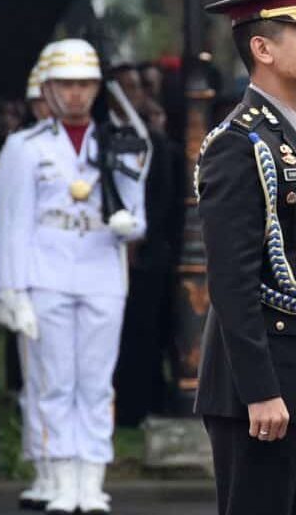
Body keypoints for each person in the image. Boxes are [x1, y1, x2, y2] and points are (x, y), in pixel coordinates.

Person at [194, 0, 296, 515]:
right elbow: (231, 281)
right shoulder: (240, 144)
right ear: (263, 49)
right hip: (256, 388)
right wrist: (260, 388)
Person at [0, 38, 147, 514]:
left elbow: (135, 213)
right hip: (47, 273)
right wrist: (10, 290)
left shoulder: (116, 140)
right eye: (66, 85)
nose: (76, 94)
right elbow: (11, 222)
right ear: (50, 89)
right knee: (54, 380)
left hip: (101, 270)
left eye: (84, 84)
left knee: (96, 382)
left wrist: (128, 224)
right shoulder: (24, 147)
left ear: (97, 89)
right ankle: (60, 477)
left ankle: (90, 480)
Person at [110, 64, 182, 427]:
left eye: (136, 87)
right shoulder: (103, 135)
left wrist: (143, 238)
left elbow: (162, 198)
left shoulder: (152, 141)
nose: (132, 94)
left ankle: (139, 405)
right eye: (125, 87)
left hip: (147, 255)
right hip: (107, 252)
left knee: (144, 334)